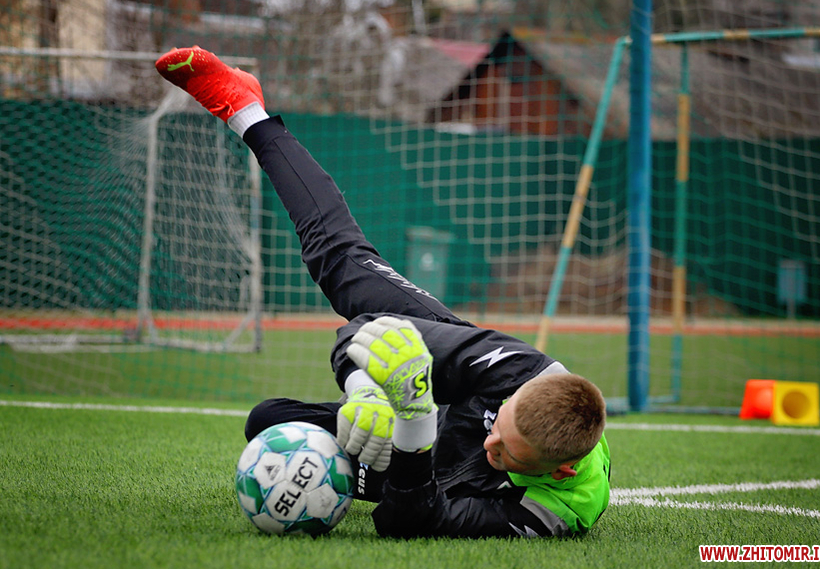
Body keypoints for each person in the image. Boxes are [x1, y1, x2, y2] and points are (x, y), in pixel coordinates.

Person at [155, 46, 610, 539]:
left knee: (268, 422)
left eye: (505, 453)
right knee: (341, 262)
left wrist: (414, 426)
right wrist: (365, 391)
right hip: (443, 384)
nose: (490, 443)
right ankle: (247, 111)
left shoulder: (556, 510)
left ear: (559, 471)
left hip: (424, 453)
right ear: (516, 395)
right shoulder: (519, 370)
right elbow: (365, 330)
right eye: (499, 423)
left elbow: (407, 524)